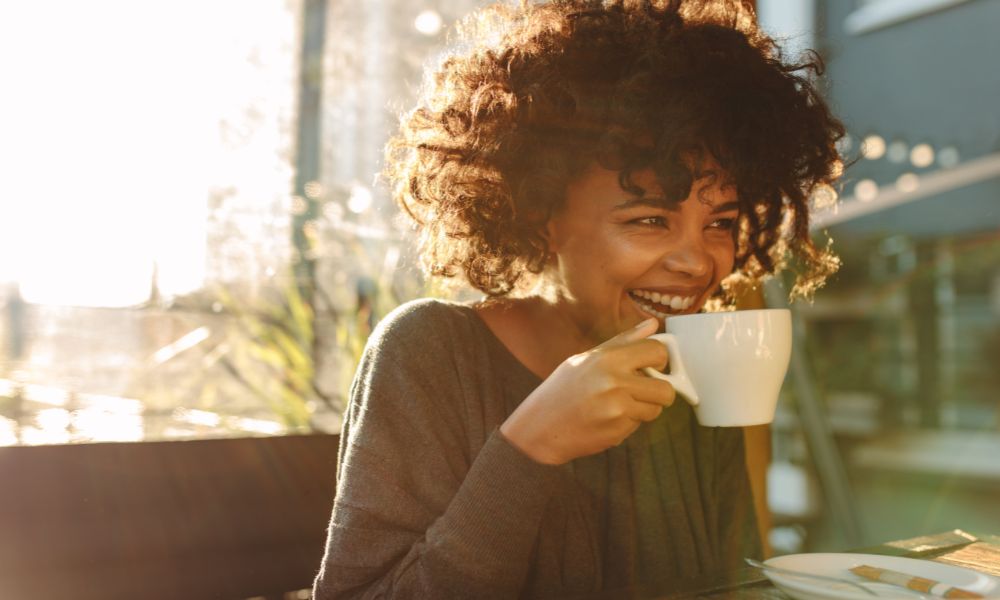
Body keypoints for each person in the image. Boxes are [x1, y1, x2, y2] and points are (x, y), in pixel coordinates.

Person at [313, 0, 843, 597]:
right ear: (539, 215)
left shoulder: (694, 368)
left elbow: (732, 583)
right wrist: (530, 446)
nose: (698, 262)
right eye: (649, 220)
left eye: (720, 223)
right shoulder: (431, 352)